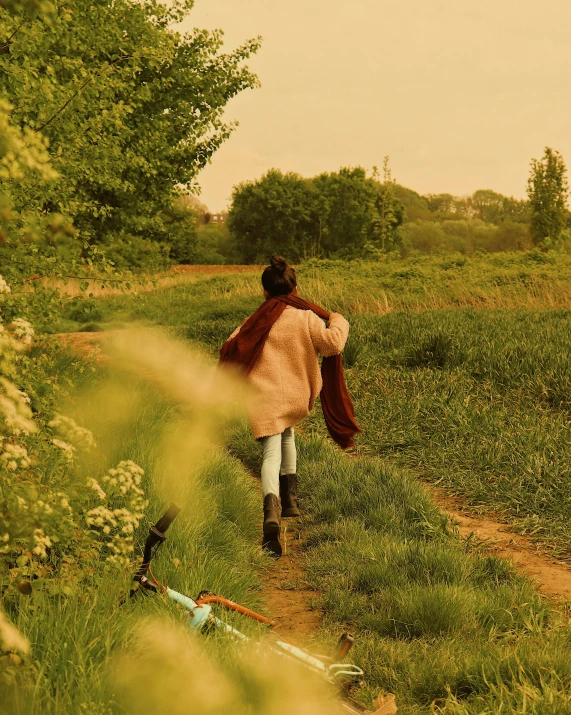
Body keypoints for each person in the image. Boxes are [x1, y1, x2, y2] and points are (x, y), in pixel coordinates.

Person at [219, 255, 359, 556]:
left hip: (263, 398)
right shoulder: (306, 317)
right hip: (295, 395)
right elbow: (333, 343)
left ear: (265, 292)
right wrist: (338, 318)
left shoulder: (255, 320)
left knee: (271, 452)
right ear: (295, 289)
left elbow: (233, 345)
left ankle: (271, 508)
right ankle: (290, 499)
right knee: (288, 432)